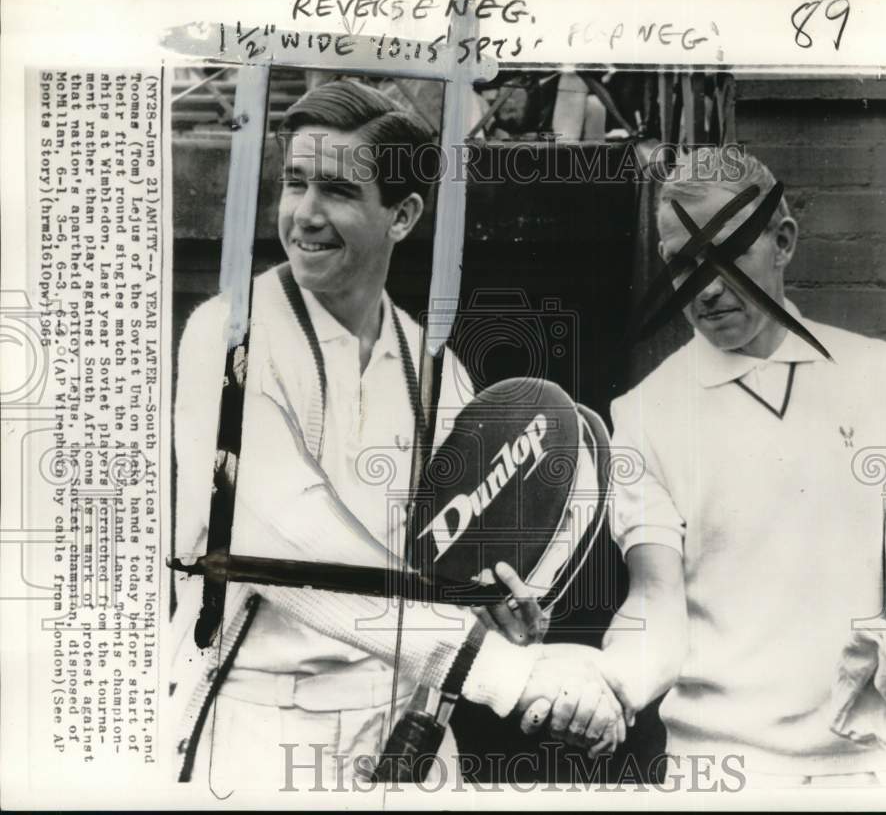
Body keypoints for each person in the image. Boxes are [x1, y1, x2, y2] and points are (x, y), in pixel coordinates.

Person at [171, 79, 628, 791]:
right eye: (295, 183)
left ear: (404, 214)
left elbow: (459, 563)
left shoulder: (435, 371)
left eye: (338, 191)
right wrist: (508, 672)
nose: (305, 215)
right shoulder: (224, 339)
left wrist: (500, 607)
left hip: (408, 735)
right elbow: (290, 546)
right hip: (257, 728)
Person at [531, 148, 886, 786]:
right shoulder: (644, 414)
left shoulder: (884, 377)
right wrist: (609, 684)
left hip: (868, 769)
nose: (706, 287)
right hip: (716, 772)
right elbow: (656, 598)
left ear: (782, 242)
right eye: (682, 262)